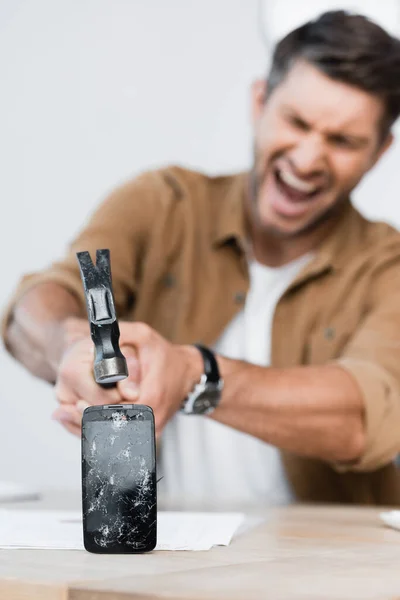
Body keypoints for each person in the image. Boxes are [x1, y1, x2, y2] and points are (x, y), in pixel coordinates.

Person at [3, 10, 400, 506]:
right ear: (260, 102)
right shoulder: (162, 204)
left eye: (343, 141)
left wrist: (196, 375)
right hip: (161, 565)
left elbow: (367, 416)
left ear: (380, 151)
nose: (306, 159)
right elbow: (32, 308)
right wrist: (70, 346)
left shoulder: (390, 266)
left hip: (323, 572)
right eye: (296, 122)